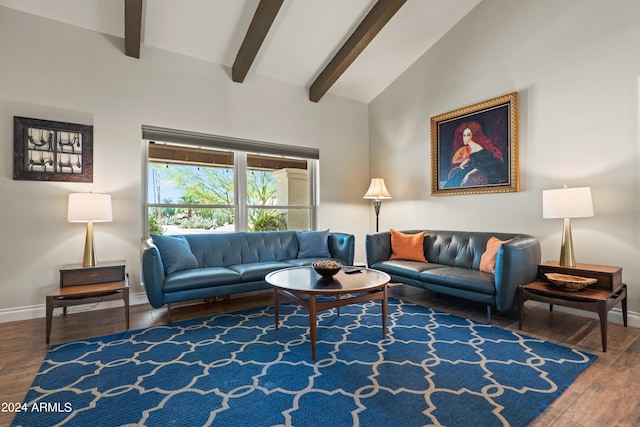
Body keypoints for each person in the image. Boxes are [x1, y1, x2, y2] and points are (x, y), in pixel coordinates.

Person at [444, 123, 506, 188]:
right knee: (456, 179)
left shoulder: (476, 147)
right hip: (473, 167)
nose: (465, 138)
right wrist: (462, 164)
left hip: (480, 169)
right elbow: (473, 159)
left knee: (460, 178)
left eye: (468, 135)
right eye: (464, 135)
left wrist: (470, 173)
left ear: (472, 136)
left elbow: (482, 164)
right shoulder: (470, 147)